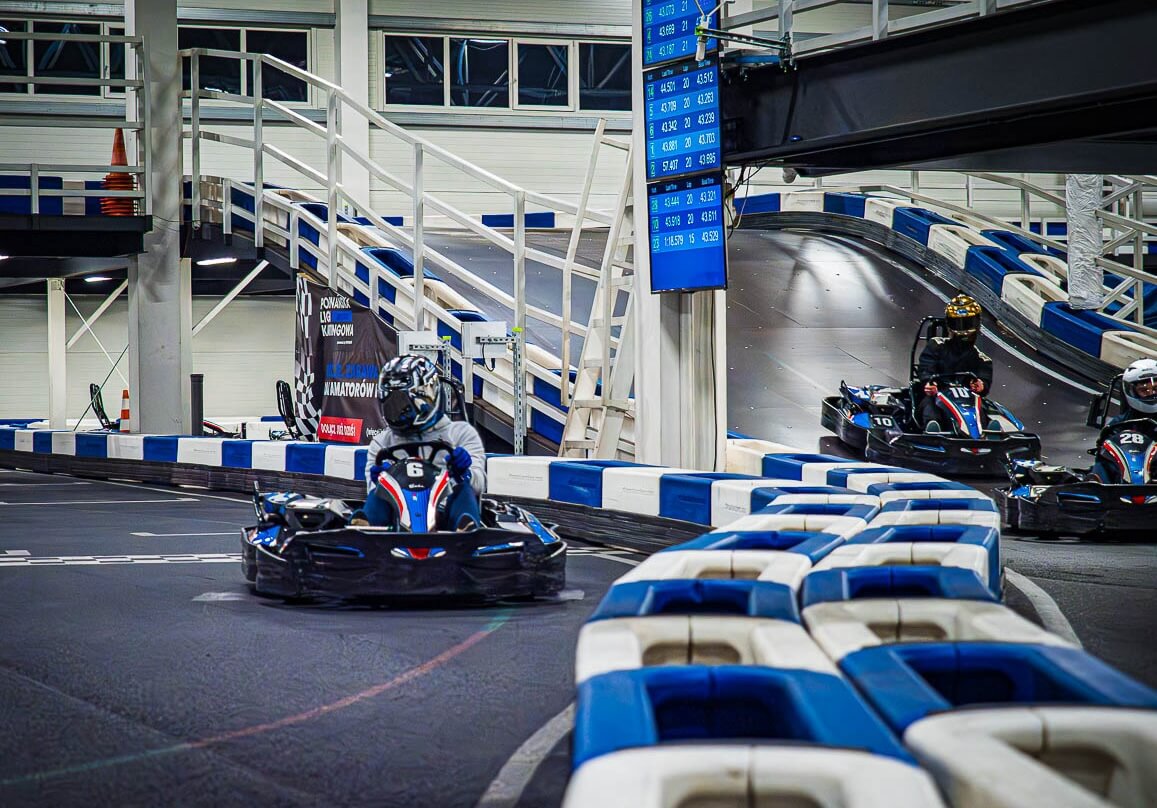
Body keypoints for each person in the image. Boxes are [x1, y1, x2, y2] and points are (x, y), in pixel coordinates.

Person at [357, 354, 486, 530]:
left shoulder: (461, 433)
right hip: (398, 518)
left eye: (402, 402)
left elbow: (479, 484)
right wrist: (381, 479)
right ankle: (364, 530)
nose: (398, 410)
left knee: (463, 489)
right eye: (392, 403)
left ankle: (467, 531)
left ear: (426, 395)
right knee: (378, 491)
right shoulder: (382, 443)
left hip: (444, 518)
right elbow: (371, 488)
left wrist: (464, 473)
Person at [916, 294, 994, 432]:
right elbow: (926, 369)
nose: (963, 330)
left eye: (968, 323)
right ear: (950, 325)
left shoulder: (981, 359)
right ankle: (932, 429)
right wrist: (929, 382)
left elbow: (984, 379)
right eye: (959, 324)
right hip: (937, 394)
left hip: (967, 399)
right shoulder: (936, 346)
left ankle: (986, 431)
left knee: (982, 407)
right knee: (930, 406)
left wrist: (980, 385)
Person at [1109, 357, 1157, 427]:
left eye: (1155, 388)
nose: (1151, 393)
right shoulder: (1119, 423)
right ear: (1132, 392)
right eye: (1144, 390)